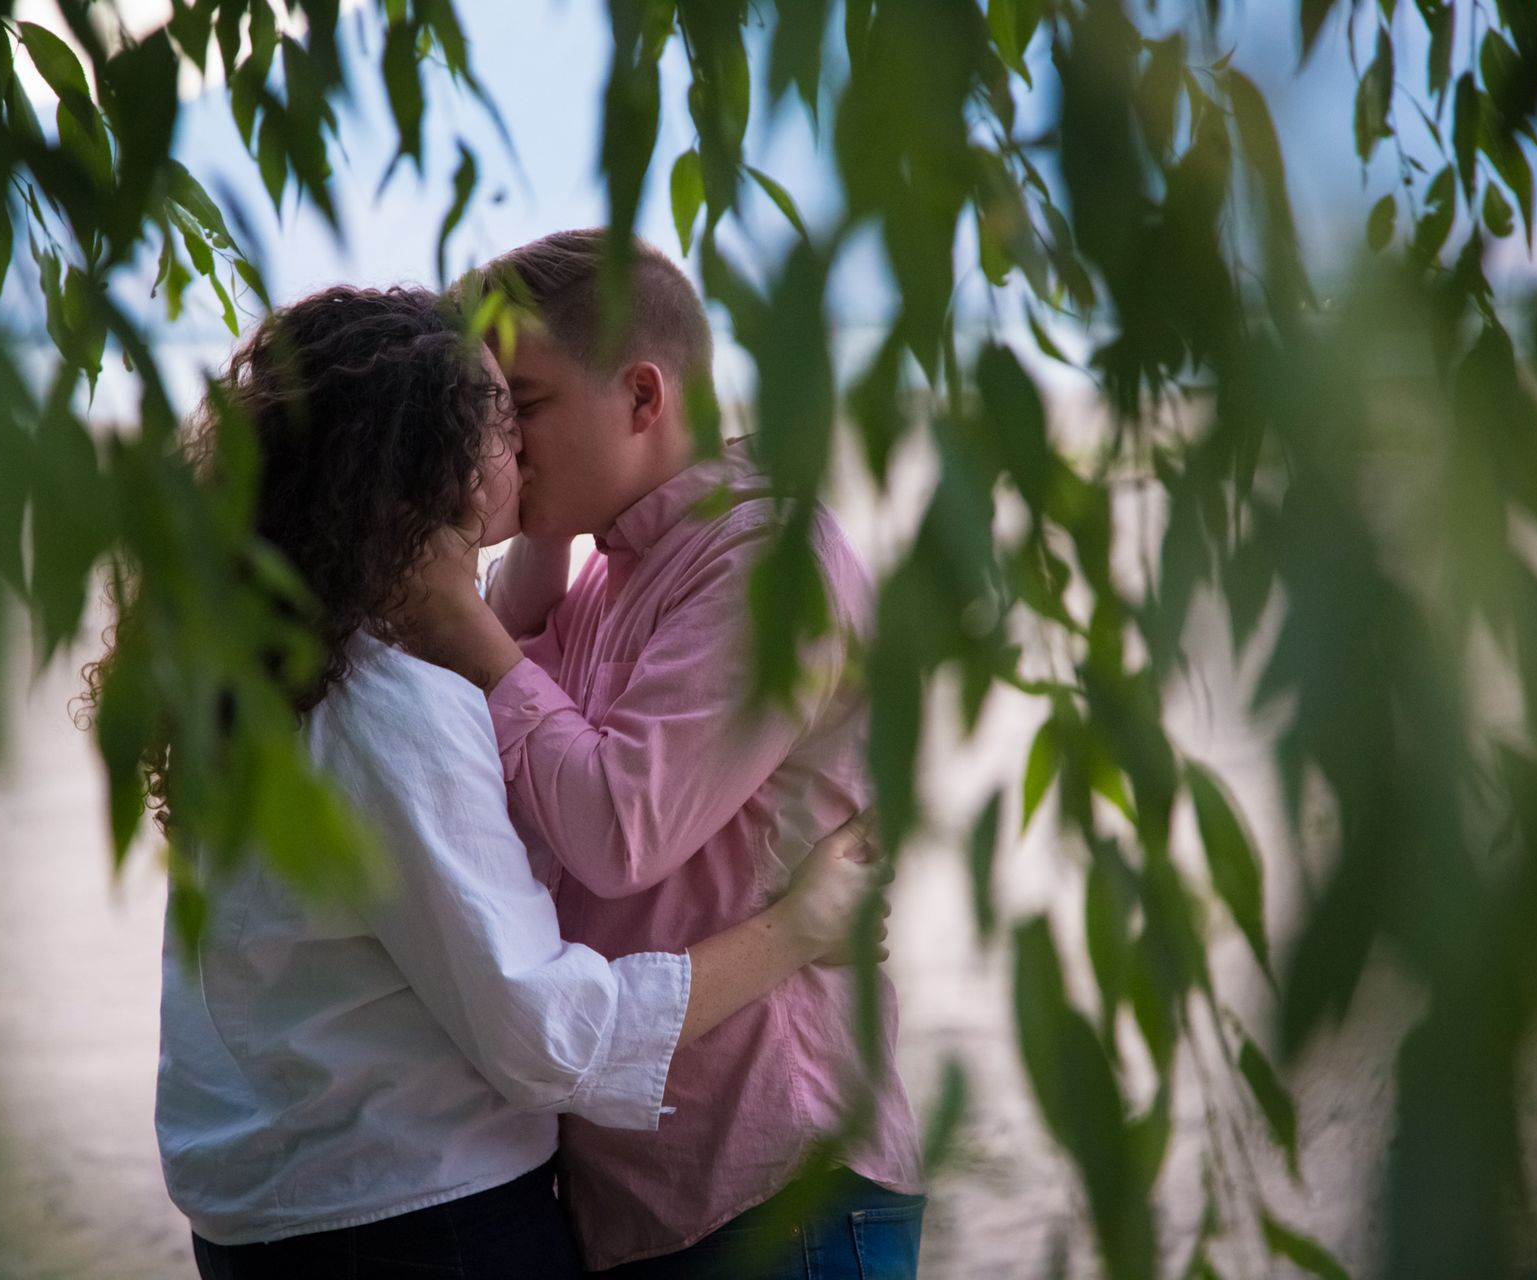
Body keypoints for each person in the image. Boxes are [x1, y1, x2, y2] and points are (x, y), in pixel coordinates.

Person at [86, 285, 885, 1280]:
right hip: (413, 1211)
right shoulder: (397, 704)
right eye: (502, 417)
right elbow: (546, 1028)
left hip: (276, 1205)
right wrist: (795, 932)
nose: (522, 445)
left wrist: (529, 542)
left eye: (528, 406)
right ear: (438, 461)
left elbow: (512, 671)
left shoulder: (264, 672)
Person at [402, 231, 925, 1277]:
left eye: (526, 407)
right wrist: (534, 528)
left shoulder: (764, 562)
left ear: (644, 398)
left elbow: (617, 827)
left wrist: (465, 620)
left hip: (774, 1187)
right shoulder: (605, 575)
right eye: (488, 413)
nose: (499, 441)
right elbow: (476, 720)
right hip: (640, 1201)